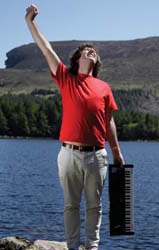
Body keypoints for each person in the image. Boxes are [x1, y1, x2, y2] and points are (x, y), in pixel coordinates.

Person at [25, 4, 125, 250]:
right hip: (68, 154)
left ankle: (91, 248)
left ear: (96, 61)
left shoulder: (103, 87)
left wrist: (116, 151)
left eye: (92, 51)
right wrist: (31, 22)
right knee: (71, 205)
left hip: (96, 156)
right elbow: (46, 49)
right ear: (77, 59)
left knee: (95, 206)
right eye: (84, 50)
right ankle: (72, 248)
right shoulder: (65, 78)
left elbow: (109, 120)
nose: (89, 51)